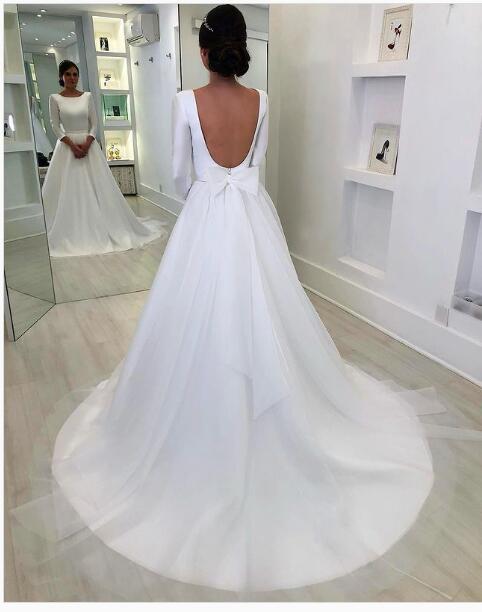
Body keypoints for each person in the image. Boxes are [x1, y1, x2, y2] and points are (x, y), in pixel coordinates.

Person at [10, 5, 482, 598]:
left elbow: (180, 175)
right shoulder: (264, 101)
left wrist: (212, 186)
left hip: (207, 218)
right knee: (270, 319)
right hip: (255, 220)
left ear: (203, 52)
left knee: (196, 326)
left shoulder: (185, 101)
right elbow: (255, 166)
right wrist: (233, 183)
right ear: (239, 51)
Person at [42, 60, 168, 257]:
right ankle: (73, 229)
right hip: (67, 148)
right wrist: (72, 145)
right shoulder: (55, 98)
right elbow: (55, 126)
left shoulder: (87, 96)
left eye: (75, 74)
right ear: (61, 77)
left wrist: (88, 142)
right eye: (68, 74)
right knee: (69, 189)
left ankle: (105, 224)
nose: (72, 78)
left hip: (89, 146)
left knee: (99, 188)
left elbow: (94, 123)